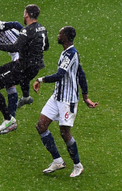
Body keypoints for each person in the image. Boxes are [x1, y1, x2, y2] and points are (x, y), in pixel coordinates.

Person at [0, 4, 49, 135]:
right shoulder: (41, 28)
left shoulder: (21, 30)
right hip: (32, 64)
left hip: (22, 62)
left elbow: (15, 44)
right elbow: (45, 47)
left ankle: (9, 118)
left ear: (27, 14)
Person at [33, 26, 98, 177]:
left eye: (60, 33)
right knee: (41, 126)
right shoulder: (66, 52)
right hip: (56, 97)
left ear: (66, 37)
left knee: (64, 132)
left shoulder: (71, 54)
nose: (58, 35)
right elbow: (80, 73)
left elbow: (60, 75)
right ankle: (57, 161)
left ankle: (77, 165)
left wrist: (40, 79)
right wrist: (86, 95)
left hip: (67, 101)